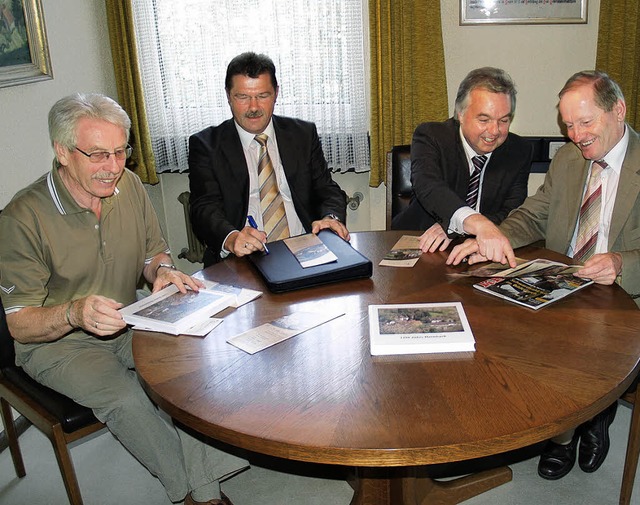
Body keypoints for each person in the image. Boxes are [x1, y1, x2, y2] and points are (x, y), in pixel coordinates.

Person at [0, 93, 247, 505]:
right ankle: (191, 494)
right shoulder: (21, 219)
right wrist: (75, 313)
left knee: (194, 363)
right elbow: (18, 322)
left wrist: (162, 270)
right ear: (62, 152)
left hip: (129, 315)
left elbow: (154, 252)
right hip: (56, 343)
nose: (113, 167)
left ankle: (204, 483)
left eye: (120, 152)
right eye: (98, 155)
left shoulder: (127, 186)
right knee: (126, 399)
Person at [448, 70, 640, 480]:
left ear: (619, 111)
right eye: (568, 125)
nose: (576, 135)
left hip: (623, 296)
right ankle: (570, 428)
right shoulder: (570, 159)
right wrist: (492, 237)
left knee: (585, 346)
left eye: (585, 122)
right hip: (563, 282)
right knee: (493, 325)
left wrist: (623, 261)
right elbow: (536, 215)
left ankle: (587, 422)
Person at [189, 51, 350, 267]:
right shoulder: (206, 145)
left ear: (276, 93)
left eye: (263, 96)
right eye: (243, 97)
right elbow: (204, 208)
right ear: (228, 96)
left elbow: (327, 189)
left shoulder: (302, 134)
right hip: (243, 257)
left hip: (305, 249)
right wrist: (232, 237)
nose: (254, 107)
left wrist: (331, 218)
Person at [391, 67, 533, 253]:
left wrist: (457, 230)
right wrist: (470, 222)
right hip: (421, 243)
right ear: (460, 114)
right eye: (484, 120)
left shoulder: (519, 150)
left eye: (503, 121)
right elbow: (429, 186)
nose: (494, 131)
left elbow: (512, 211)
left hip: (479, 251)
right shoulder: (431, 136)